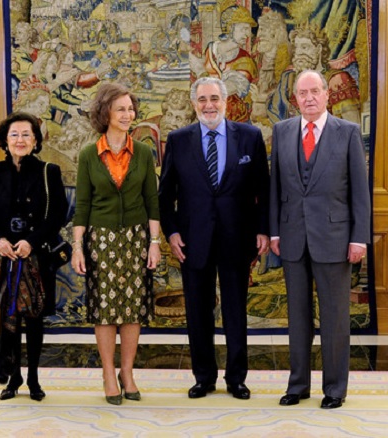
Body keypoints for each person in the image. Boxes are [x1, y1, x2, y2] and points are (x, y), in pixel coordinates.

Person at [158, 77, 270, 400]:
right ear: (195, 104)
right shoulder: (178, 140)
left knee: (235, 310)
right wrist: (172, 232)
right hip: (193, 240)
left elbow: (263, 188)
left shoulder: (249, 137)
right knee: (198, 311)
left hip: (238, 237)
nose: (209, 105)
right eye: (202, 99)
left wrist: (262, 229)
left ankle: (236, 378)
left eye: (214, 99)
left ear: (225, 100)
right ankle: (204, 376)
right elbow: (166, 195)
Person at [269, 70, 371, 409]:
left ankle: (335, 389)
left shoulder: (348, 133)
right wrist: (274, 232)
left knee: (334, 318)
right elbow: (275, 190)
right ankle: (297, 385)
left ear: (327, 95)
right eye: (302, 92)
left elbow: (360, 191)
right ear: (294, 98)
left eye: (315, 91)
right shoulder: (282, 132)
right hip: (293, 239)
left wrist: (359, 239)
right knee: (297, 318)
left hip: (336, 239)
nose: (309, 97)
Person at [71, 82, 160, 405]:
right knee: (106, 310)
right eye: (120, 108)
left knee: (133, 309)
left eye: (130, 108)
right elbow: (82, 205)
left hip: (136, 239)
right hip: (101, 240)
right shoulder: (88, 155)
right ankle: (108, 373)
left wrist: (154, 242)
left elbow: (152, 201)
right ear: (105, 113)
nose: (128, 114)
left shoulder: (144, 153)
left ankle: (128, 372)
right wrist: (78, 247)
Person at [0, 112, 68, 401]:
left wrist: (31, 241)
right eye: (14, 134)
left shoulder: (49, 171)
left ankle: (35, 380)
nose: (20, 140)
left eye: (27, 134)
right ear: (5, 140)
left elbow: (57, 215)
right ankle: (13, 379)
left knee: (35, 321)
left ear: (36, 140)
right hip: (3, 258)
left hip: (36, 257)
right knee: (7, 319)